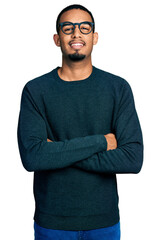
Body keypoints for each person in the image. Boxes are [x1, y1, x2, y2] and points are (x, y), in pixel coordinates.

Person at [17, 4, 143, 240]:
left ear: (94, 37)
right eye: (68, 28)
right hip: (52, 222)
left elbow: (133, 159)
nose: (76, 33)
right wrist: (101, 142)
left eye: (84, 28)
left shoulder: (118, 88)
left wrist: (56, 152)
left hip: (103, 222)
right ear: (57, 39)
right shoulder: (35, 90)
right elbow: (33, 157)